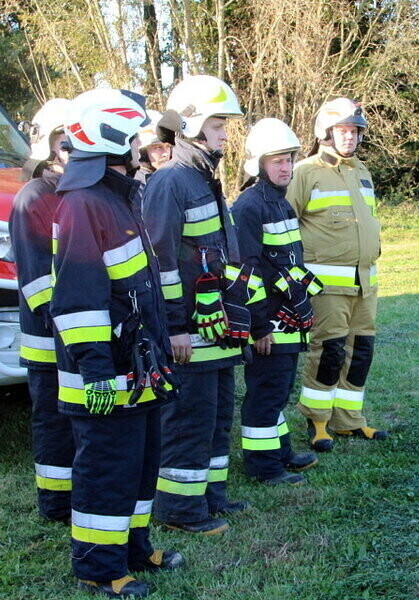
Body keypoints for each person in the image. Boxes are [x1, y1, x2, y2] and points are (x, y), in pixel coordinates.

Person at [51, 88, 183, 598]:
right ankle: (98, 567)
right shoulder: (84, 204)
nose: (140, 146)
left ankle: (133, 547)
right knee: (107, 467)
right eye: (132, 138)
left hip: (136, 363)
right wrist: (98, 373)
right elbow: (79, 300)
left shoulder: (115, 196)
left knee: (140, 461)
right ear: (112, 139)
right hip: (104, 374)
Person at [143, 75, 254, 534]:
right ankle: (180, 510)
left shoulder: (203, 178)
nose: (225, 133)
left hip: (217, 327)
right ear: (190, 125)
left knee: (214, 416)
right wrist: (173, 328)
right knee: (189, 419)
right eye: (217, 124)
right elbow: (161, 262)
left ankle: (211, 496)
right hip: (189, 330)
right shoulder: (171, 182)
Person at [286, 97, 387, 452]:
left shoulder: (361, 171)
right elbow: (284, 224)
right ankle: (318, 421)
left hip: (365, 284)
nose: (350, 137)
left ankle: (349, 420)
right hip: (327, 287)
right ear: (325, 133)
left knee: (361, 350)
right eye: (343, 130)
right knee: (328, 351)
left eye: (355, 131)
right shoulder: (305, 172)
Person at [231, 118, 321, 485]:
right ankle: (263, 466)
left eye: (289, 159)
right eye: (277, 161)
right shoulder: (250, 206)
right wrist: (258, 326)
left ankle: (280, 453)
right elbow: (246, 271)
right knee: (265, 394)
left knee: (280, 389)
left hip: (286, 317)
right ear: (258, 164)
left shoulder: (280, 204)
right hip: (268, 321)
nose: (285, 167)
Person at [9, 98, 75, 524]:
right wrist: (68, 323)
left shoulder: (74, 194)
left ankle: (74, 494)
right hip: (47, 337)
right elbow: (36, 281)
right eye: (67, 144)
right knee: (52, 420)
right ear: (51, 147)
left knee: (73, 421)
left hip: (75, 334)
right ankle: (55, 504)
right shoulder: (33, 197)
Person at [135, 110, 172, 187]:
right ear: (142, 153)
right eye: (158, 147)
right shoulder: (137, 187)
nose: (165, 153)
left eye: (168, 146)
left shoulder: (170, 178)